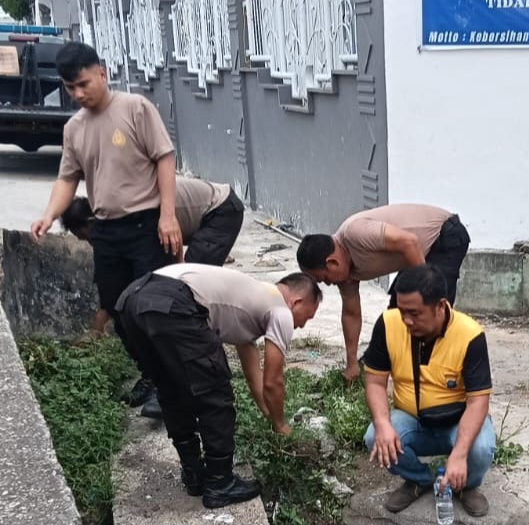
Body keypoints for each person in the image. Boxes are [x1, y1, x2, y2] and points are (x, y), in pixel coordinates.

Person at [30, 41, 181, 409]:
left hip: (147, 226)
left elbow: (164, 158)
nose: (78, 94)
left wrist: (168, 214)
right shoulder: (74, 129)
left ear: (102, 73)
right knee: (117, 308)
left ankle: (170, 388)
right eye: (70, 88)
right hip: (107, 232)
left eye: (83, 84)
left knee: (152, 308)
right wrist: (49, 215)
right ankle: (152, 375)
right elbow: (68, 178)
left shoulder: (135, 108)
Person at [114, 263, 322, 509]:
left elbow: (255, 379)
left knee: (172, 389)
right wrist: (280, 425)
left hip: (131, 301)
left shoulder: (251, 301)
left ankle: (194, 474)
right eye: (307, 317)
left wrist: (269, 415)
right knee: (216, 393)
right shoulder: (280, 310)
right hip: (173, 302)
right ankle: (220, 483)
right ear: (297, 302)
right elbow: (273, 382)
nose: (301, 326)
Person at [362, 264, 495, 517]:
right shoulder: (389, 324)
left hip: (457, 421)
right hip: (412, 420)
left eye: (414, 313)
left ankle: (464, 485)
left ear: (440, 306)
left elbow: (478, 401)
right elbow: (375, 382)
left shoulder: (470, 335)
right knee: (373, 436)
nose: (406, 320)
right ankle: (419, 479)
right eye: (402, 311)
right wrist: (382, 423)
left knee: (480, 449)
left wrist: (460, 454)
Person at [296, 204, 470, 382]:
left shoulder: (356, 233)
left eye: (325, 279)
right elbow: (351, 314)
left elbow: (409, 242)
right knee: (396, 315)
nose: (329, 284)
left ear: (332, 263)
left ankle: (442, 371)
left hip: (444, 236)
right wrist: (351, 363)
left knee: (430, 313)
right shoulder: (345, 275)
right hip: (416, 252)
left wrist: (424, 291)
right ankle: (380, 363)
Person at [61, 176, 245, 340]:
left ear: (91, 221)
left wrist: (181, 267)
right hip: (194, 217)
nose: (93, 243)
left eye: (89, 238)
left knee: (189, 284)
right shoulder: (112, 213)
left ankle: (200, 338)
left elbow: (172, 237)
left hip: (221, 210)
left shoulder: (135, 210)